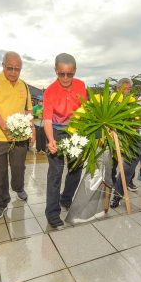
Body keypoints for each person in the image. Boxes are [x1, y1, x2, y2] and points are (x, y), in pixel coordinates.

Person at [0, 51, 34, 220]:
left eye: (17, 69)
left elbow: (28, 110)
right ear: (3, 65)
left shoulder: (24, 85)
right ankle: (1, 203)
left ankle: (19, 187)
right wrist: (6, 129)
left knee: (19, 166)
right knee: (0, 171)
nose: (14, 72)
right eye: (10, 68)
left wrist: (32, 130)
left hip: (20, 136)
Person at [44, 53, 87, 228]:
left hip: (76, 131)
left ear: (75, 71)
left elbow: (86, 109)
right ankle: (52, 212)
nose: (66, 78)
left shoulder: (81, 86)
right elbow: (47, 119)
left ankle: (66, 198)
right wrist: (50, 140)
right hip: (56, 131)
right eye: (61, 73)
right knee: (55, 173)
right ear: (56, 71)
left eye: (70, 74)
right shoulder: (50, 91)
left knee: (76, 169)